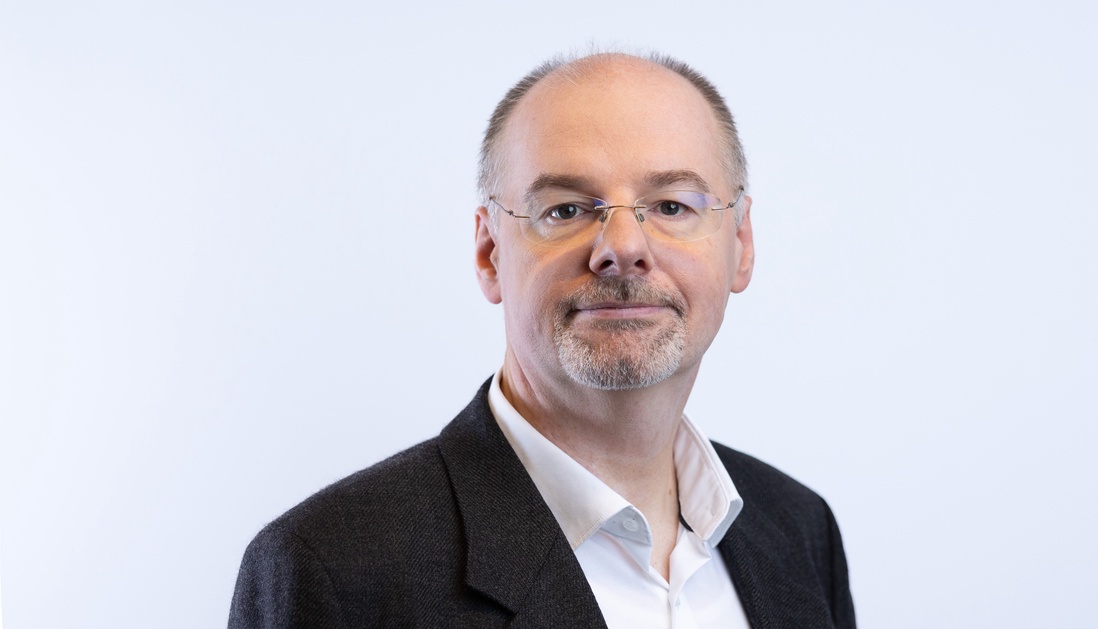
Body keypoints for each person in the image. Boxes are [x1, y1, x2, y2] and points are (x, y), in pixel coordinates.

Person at [229, 50, 855, 629]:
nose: (623, 248)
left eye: (670, 206)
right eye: (566, 210)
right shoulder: (333, 570)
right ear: (489, 253)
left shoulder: (800, 530)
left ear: (741, 244)